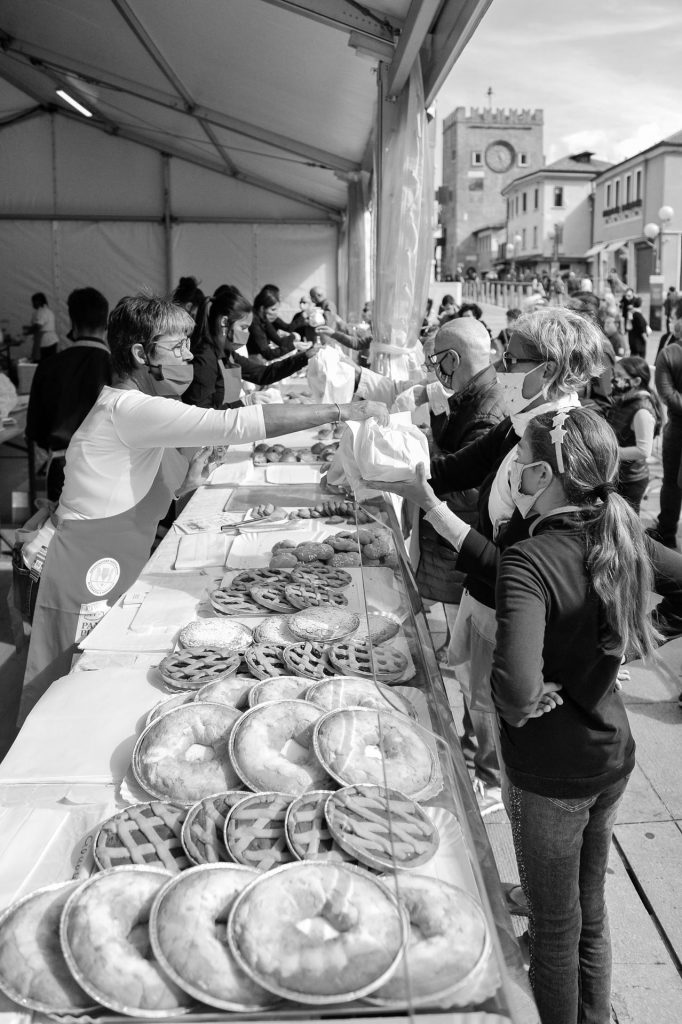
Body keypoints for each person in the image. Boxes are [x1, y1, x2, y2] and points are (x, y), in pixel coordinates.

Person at [21, 294, 387, 714]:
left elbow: (113, 494)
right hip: (81, 574)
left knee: (92, 694)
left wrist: (183, 486)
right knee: (62, 703)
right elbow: (231, 424)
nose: (187, 356)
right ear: (141, 354)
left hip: (106, 564)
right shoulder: (128, 407)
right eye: (176, 347)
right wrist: (342, 409)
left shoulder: (134, 409)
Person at [365, 307, 604, 815]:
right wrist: (382, 463)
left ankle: (497, 785)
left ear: (550, 369)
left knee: (509, 715)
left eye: (512, 359)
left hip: (511, 600)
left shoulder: (558, 442)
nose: (501, 368)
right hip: (486, 588)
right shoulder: (522, 424)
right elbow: (455, 469)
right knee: (481, 700)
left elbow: (518, 565)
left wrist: (607, 650)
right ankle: (490, 775)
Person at [490, 406, 653, 1024]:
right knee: (592, 910)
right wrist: (625, 643)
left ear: (542, 473)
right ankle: (596, 1014)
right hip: (611, 755)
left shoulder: (530, 559)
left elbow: (513, 689)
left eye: (523, 468)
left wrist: (527, 698)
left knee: (555, 930)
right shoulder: (622, 533)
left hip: (549, 772)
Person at [414, 317, 508, 799]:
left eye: (437, 361)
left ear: (453, 359)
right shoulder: (478, 399)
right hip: (462, 561)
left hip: (465, 560)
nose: (436, 372)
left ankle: (489, 777)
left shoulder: (492, 411)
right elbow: (455, 459)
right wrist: (434, 424)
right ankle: (481, 757)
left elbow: (470, 494)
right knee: (471, 672)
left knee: (477, 680)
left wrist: (421, 455)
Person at [26, 288, 112, 502]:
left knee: (62, 531)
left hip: (62, 470)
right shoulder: (118, 369)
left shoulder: (48, 366)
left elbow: (36, 431)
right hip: (109, 469)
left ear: (72, 325)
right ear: (106, 325)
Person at [182, 288, 316, 409]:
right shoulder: (205, 359)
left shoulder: (227, 354)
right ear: (224, 322)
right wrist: (244, 403)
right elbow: (202, 414)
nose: (247, 333)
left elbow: (263, 374)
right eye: (243, 327)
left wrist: (304, 357)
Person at [608, 356, 662, 513]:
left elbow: (643, 450)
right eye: (614, 374)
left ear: (637, 381)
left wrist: (612, 451)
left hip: (631, 479)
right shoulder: (625, 400)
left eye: (619, 376)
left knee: (627, 525)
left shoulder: (642, 410)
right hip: (620, 475)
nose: (614, 380)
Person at [648, 321, 682, 548]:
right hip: (677, 429)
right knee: (670, 482)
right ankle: (667, 530)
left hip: (678, 427)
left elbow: (667, 395)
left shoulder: (668, 353)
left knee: (671, 483)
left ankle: (667, 531)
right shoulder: (670, 354)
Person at [246, 287, 298, 362]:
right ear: (262, 308)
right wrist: (293, 344)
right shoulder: (254, 322)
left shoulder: (263, 318)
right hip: (252, 359)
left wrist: (292, 337)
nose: (276, 313)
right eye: (273, 309)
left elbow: (278, 340)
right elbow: (267, 353)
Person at [24, 293, 59, 362]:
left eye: (34, 302)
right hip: (49, 341)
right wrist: (29, 328)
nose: (33, 304)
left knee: (43, 362)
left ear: (38, 301)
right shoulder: (46, 311)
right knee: (49, 362)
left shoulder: (42, 312)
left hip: (46, 342)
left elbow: (38, 326)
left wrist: (27, 332)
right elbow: (43, 326)